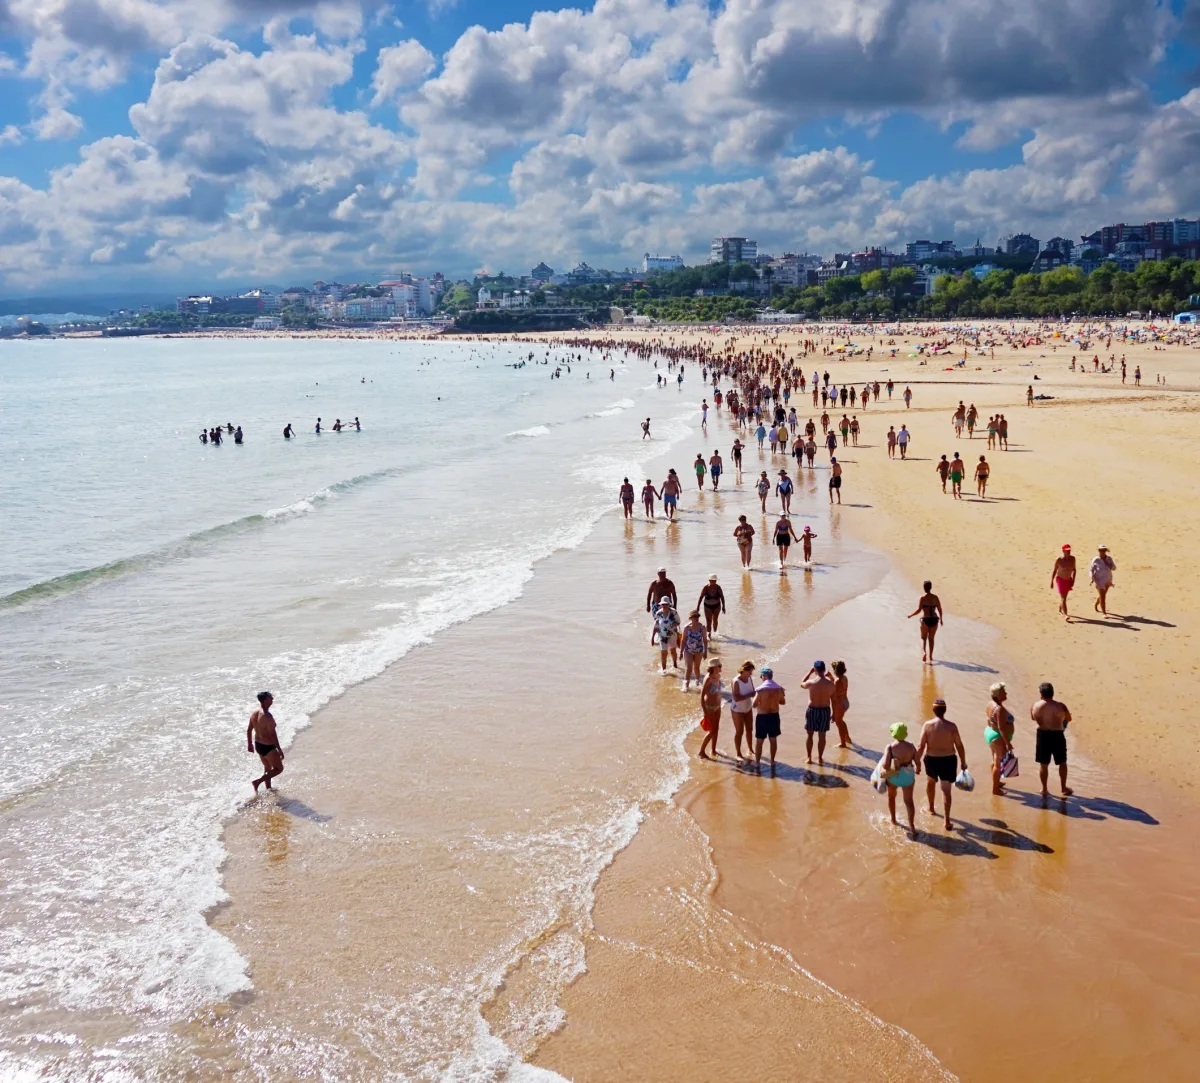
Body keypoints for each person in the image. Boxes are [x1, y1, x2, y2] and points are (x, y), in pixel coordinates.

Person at [915, 698, 967, 830]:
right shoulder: (951, 726)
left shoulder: (927, 725)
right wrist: (963, 762)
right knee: (946, 790)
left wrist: (917, 763)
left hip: (932, 759)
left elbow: (921, 746)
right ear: (945, 710)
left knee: (930, 782)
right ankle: (947, 821)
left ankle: (931, 808)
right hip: (948, 760)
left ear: (933, 710)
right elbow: (959, 745)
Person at [1031, 681, 1072, 797]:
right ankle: (1063, 787)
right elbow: (1069, 718)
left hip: (1042, 735)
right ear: (1052, 693)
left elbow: (1033, 718)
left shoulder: (1035, 705)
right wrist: (1062, 723)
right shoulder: (1060, 706)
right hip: (1057, 734)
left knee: (1043, 764)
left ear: (1041, 694)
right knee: (1062, 762)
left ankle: (1044, 789)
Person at [879, 722, 918, 837]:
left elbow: (886, 765)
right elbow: (918, 762)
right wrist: (918, 768)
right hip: (908, 776)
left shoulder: (890, 747)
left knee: (892, 798)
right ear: (906, 733)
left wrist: (881, 768)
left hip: (894, 777)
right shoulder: (911, 745)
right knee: (909, 802)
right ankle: (912, 827)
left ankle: (893, 820)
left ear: (893, 734)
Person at [247, 691, 284, 793]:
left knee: (267, 767)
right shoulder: (267, 716)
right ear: (264, 700)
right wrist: (279, 749)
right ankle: (258, 782)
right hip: (268, 746)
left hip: (258, 745)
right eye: (270, 697)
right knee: (279, 768)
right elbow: (272, 734)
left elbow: (249, 729)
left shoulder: (255, 713)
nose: (272, 698)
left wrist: (249, 744)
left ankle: (268, 788)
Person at [801, 661, 835, 765]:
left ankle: (809, 758)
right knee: (822, 736)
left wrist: (809, 672)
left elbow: (801, 683)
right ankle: (820, 758)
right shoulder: (830, 684)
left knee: (810, 735)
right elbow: (833, 698)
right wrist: (833, 713)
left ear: (815, 670)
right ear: (824, 670)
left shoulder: (811, 683)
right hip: (825, 710)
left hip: (813, 710)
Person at [753, 667, 786, 773]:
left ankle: (757, 762)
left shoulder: (760, 689)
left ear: (763, 676)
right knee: (773, 740)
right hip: (774, 716)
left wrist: (761, 703)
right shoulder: (779, 689)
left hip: (762, 717)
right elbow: (783, 702)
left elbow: (754, 704)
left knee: (759, 741)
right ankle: (772, 761)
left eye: (761, 676)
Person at [985, 681, 1015, 796]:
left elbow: (988, 719)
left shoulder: (990, 704)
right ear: (998, 695)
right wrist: (1007, 744)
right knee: (998, 763)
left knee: (994, 759)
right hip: (998, 737)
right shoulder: (1000, 709)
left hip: (990, 733)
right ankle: (995, 789)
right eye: (1003, 692)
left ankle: (996, 782)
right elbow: (1002, 728)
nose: (1006, 693)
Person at [908, 581, 943, 663]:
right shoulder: (935, 597)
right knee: (931, 639)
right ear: (931, 587)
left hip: (926, 620)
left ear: (924, 588)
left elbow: (919, 610)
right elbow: (940, 609)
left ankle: (924, 653)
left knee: (924, 638)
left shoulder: (923, 598)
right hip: (934, 619)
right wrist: (941, 619)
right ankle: (930, 656)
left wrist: (911, 615)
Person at [698, 658, 724, 760]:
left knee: (716, 729)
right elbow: (701, 696)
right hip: (710, 707)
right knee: (712, 731)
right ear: (714, 667)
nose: (721, 667)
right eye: (719, 666)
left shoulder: (718, 676)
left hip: (718, 706)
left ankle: (713, 750)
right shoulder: (708, 679)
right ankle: (701, 751)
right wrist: (705, 713)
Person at [731, 661, 757, 760]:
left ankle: (751, 749)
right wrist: (750, 695)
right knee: (739, 731)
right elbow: (736, 698)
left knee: (749, 729)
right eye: (750, 671)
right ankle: (738, 753)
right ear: (745, 670)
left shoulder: (749, 678)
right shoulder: (736, 681)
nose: (751, 673)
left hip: (748, 707)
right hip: (737, 709)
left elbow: (753, 692)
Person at [681, 610, 708, 690]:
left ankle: (697, 682)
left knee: (696, 667)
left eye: (698, 616)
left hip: (699, 651)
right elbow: (683, 640)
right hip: (688, 650)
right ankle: (686, 685)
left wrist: (705, 652)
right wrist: (680, 652)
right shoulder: (687, 628)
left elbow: (705, 641)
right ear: (690, 618)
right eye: (695, 616)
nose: (697, 618)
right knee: (689, 668)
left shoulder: (702, 627)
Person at [651, 599, 681, 672]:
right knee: (663, 652)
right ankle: (664, 669)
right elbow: (656, 625)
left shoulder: (673, 612)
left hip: (672, 634)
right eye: (663, 604)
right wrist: (652, 637)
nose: (664, 606)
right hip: (662, 636)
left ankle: (675, 665)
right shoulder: (658, 613)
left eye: (666, 604)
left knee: (673, 651)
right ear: (661, 605)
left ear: (669, 604)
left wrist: (673, 625)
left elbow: (678, 622)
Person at [1051, 544, 1077, 621]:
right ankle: (1065, 615)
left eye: (1069, 550)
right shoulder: (1059, 559)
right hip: (1060, 580)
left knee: (1064, 597)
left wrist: (1073, 580)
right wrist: (1052, 581)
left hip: (1068, 579)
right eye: (1067, 551)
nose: (1068, 552)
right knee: (1063, 597)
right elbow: (1055, 570)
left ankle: (1060, 609)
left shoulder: (1073, 559)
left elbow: (1074, 570)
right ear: (1063, 551)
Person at [1090, 544, 1116, 616]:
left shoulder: (1109, 559)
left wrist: (1108, 564)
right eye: (1101, 550)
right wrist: (1092, 577)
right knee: (1103, 597)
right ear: (1098, 551)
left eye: (1103, 550)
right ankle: (1104, 613)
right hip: (1099, 580)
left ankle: (1096, 603)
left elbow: (1114, 568)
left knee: (1103, 595)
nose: (1102, 552)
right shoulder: (1096, 559)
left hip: (1107, 579)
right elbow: (1091, 569)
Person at [830, 659, 851, 748]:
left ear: (835, 670)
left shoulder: (837, 681)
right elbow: (841, 689)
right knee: (841, 721)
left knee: (838, 723)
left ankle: (843, 743)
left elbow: (835, 697)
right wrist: (831, 677)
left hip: (839, 704)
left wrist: (833, 712)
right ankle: (847, 738)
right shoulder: (844, 678)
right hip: (845, 702)